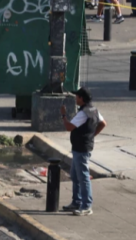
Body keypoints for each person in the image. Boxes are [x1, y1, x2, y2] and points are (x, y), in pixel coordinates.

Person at [61, 87, 107, 216]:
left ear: (81, 98)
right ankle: (76, 201)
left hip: (81, 149)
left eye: (77, 96)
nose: (75, 98)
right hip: (81, 147)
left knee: (83, 177)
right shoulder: (93, 110)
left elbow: (69, 127)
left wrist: (63, 115)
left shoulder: (83, 113)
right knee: (75, 176)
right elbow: (103, 123)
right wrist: (92, 135)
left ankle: (86, 206)